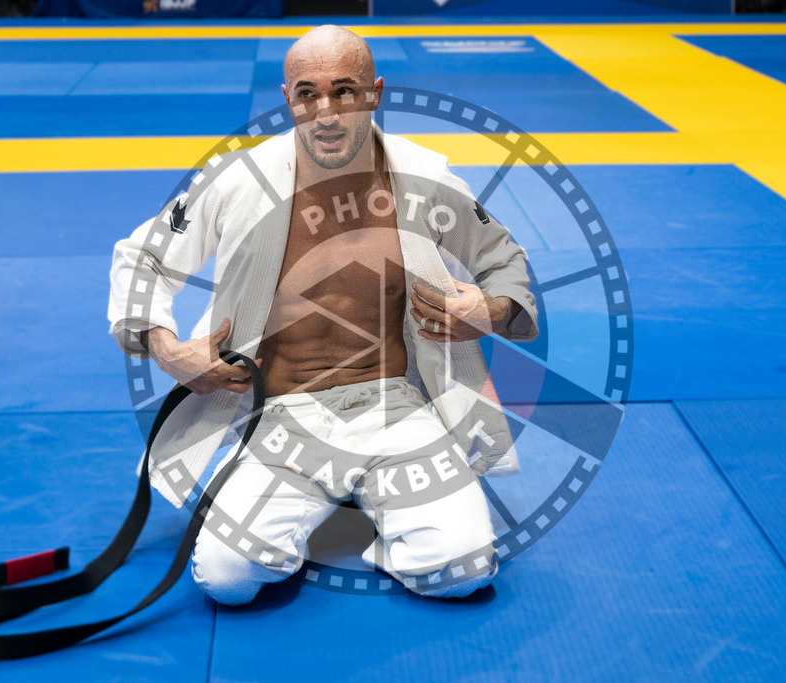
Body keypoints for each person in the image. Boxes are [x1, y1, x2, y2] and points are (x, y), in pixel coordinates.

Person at [108, 25, 538, 605]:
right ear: (288, 98)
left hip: (394, 407)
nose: (326, 112)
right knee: (226, 578)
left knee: (463, 569)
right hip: (278, 414)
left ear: (376, 92)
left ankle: (379, 514)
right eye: (308, 93)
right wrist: (167, 350)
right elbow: (143, 256)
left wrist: (488, 309)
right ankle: (314, 502)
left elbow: (504, 257)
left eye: (345, 90)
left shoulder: (425, 178)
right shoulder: (240, 179)